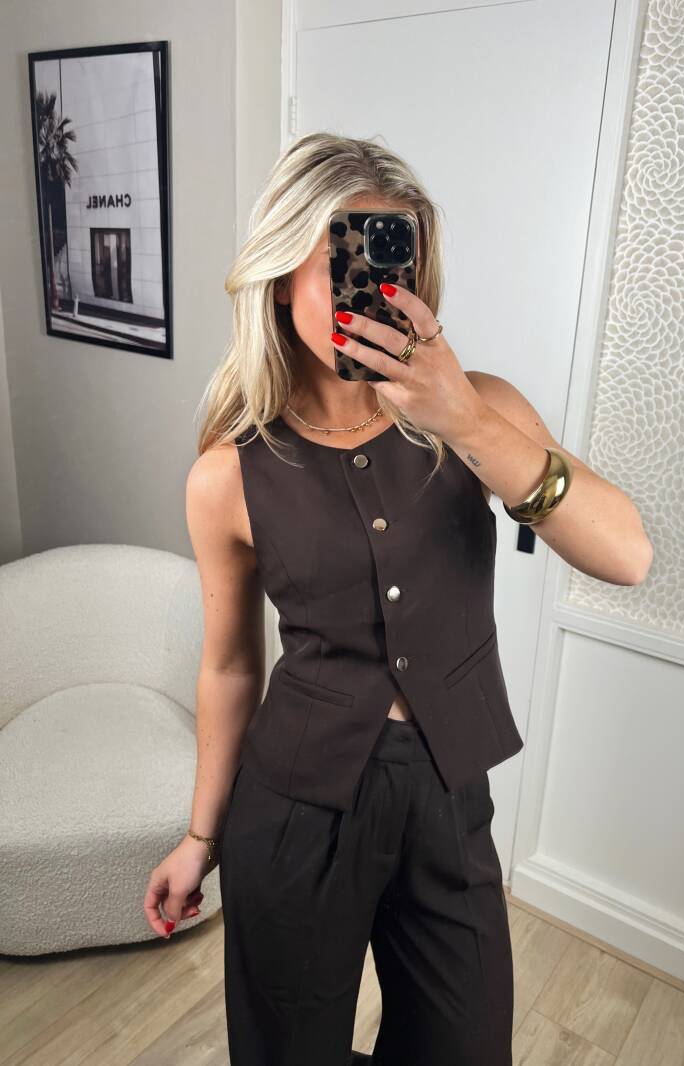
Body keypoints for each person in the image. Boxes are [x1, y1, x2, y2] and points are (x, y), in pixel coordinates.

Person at [143, 132, 652, 1065]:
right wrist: (198, 836)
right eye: (344, 256)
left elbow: (627, 554)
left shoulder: (482, 413)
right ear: (281, 276)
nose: (371, 286)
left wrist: (465, 417)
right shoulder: (228, 473)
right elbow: (229, 666)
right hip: (294, 812)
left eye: (394, 258)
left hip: (449, 797)